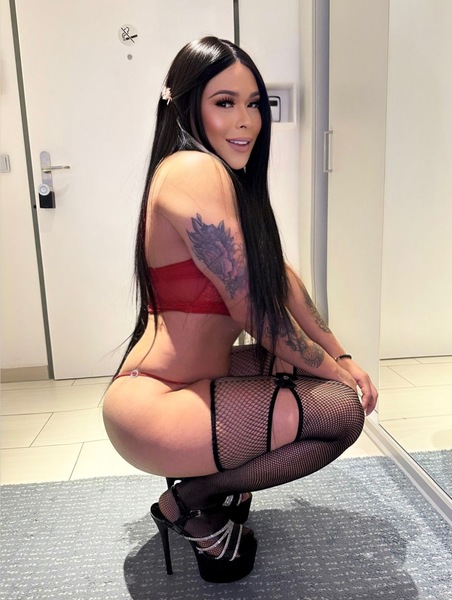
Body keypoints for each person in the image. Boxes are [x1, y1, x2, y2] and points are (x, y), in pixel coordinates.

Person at [102, 36, 378, 583]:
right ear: (186, 105)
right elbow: (254, 308)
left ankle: (212, 493)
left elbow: (283, 282)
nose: (246, 120)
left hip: (191, 386)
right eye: (224, 102)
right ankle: (191, 501)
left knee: (308, 374)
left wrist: (340, 354)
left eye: (254, 103)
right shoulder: (192, 169)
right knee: (340, 412)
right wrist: (338, 373)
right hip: (157, 402)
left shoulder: (224, 179)